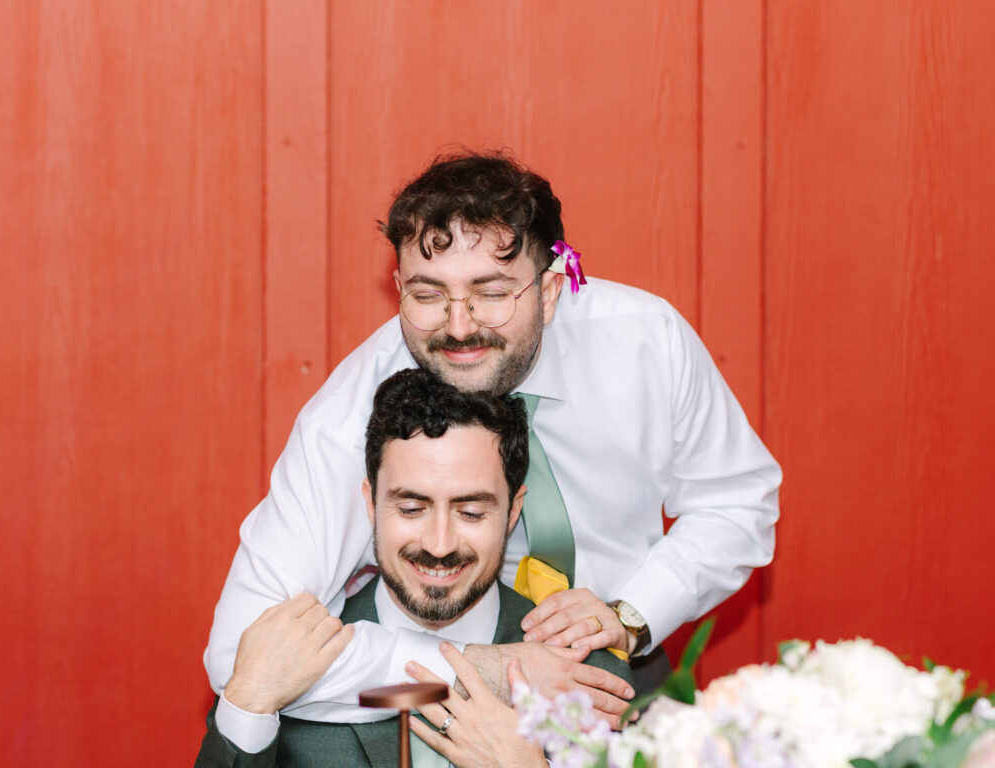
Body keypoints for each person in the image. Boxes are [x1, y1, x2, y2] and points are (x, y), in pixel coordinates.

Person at [204, 151, 781, 723]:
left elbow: (736, 503)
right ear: (398, 285)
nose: (459, 326)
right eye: (428, 294)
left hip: (621, 671)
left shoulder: (647, 342)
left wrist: (631, 615)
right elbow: (242, 660)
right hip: (430, 688)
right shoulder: (348, 415)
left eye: (493, 292)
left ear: (551, 291)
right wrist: (490, 671)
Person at [195, 369, 631, 767]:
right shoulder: (285, 658)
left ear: (514, 510)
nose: (439, 546)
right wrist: (246, 703)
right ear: (370, 502)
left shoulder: (587, 674)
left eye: (471, 513)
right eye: (410, 508)